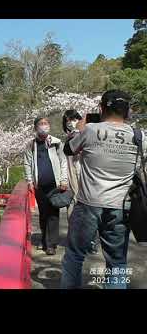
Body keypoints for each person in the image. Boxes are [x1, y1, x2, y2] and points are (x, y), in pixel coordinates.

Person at [60, 89, 145, 289]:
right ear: (128, 111)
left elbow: (68, 149)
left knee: (74, 256)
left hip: (89, 204)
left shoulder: (90, 130)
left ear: (101, 108)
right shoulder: (139, 135)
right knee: (117, 263)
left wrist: (78, 130)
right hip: (121, 207)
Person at [24, 117, 68, 255]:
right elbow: (27, 163)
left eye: (46, 123)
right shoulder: (31, 144)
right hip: (39, 186)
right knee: (43, 214)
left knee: (53, 214)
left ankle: (51, 244)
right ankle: (44, 240)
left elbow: (63, 161)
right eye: (41, 124)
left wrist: (64, 180)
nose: (44, 126)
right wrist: (30, 181)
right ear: (36, 127)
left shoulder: (56, 143)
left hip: (55, 184)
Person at [62, 109, 99, 254]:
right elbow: (65, 159)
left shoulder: (89, 134)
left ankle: (91, 241)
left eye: (74, 118)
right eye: (68, 120)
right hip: (73, 180)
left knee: (91, 211)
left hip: (89, 178)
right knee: (73, 210)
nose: (71, 122)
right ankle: (74, 240)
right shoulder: (69, 139)